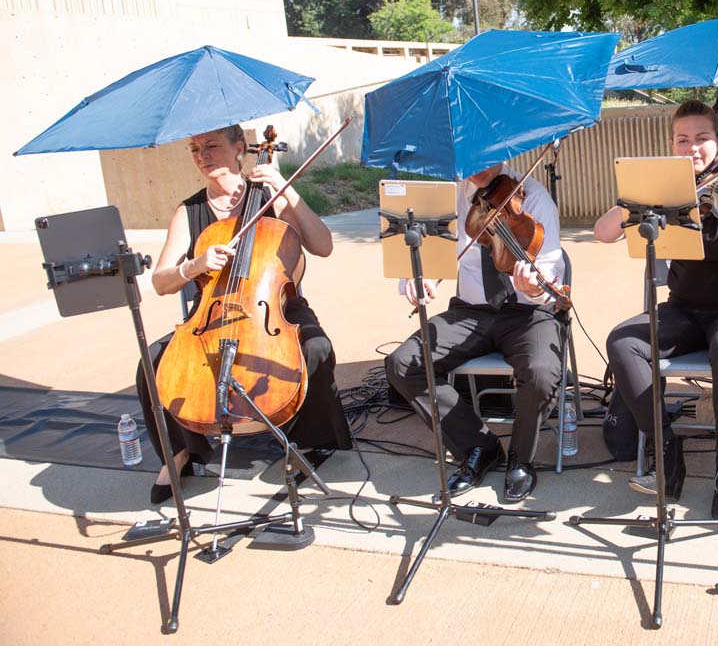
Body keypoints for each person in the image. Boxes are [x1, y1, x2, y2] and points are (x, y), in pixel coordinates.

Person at [136, 124, 352, 505]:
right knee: (153, 362)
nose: (203, 155)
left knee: (317, 349)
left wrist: (287, 189)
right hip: (211, 313)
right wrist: (194, 265)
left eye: (212, 146)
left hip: (276, 307)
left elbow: (323, 246)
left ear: (240, 148)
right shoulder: (190, 212)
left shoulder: (271, 196)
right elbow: (161, 281)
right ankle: (180, 453)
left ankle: (309, 442)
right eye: (195, 148)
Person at [595, 100, 718, 518]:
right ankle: (665, 449)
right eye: (682, 140)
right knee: (623, 343)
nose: (692, 148)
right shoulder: (669, 190)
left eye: (701, 139)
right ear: (672, 144)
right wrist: (643, 194)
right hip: (685, 310)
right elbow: (603, 233)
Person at [384, 162, 566, 504]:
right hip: (469, 311)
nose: (475, 168)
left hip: (527, 313)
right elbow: (430, 255)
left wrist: (534, 286)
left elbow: (551, 266)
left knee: (542, 373)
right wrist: (420, 277)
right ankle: (479, 447)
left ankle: (521, 458)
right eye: (466, 158)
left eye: (484, 156)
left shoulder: (534, 197)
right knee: (403, 363)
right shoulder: (446, 198)